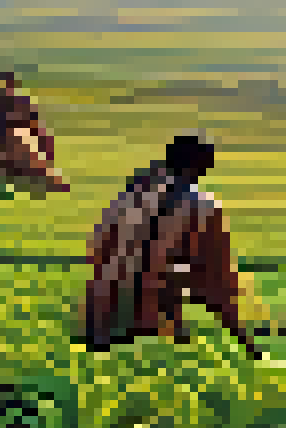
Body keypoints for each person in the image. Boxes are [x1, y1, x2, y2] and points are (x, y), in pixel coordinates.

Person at [80, 134, 262, 359]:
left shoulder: (130, 193)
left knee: (168, 266)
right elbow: (219, 268)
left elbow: (98, 246)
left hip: (97, 309)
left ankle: (174, 330)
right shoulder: (203, 205)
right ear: (203, 166)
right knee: (204, 272)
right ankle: (249, 348)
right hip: (144, 309)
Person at [0, 70, 71, 193]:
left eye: (6, 86)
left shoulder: (22, 105)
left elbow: (34, 128)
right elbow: (3, 132)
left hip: (28, 144)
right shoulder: (5, 105)